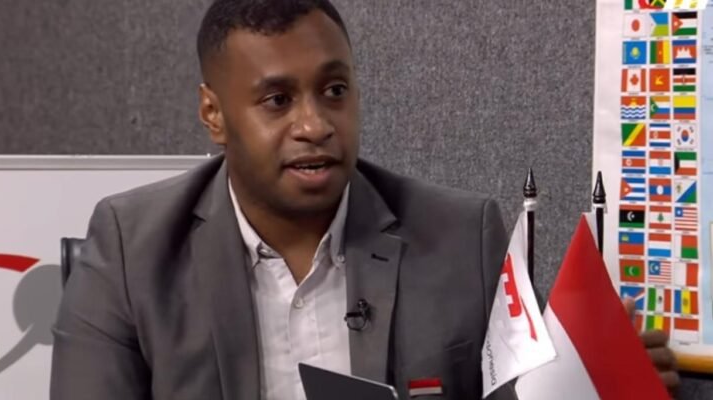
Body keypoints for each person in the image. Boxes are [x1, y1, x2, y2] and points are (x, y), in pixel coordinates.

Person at [50, 1, 679, 399]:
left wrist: (594, 377)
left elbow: (527, 391)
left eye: (334, 91)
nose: (315, 125)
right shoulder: (131, 250)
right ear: (213, 114)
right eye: (277, 101)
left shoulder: (464, 237)